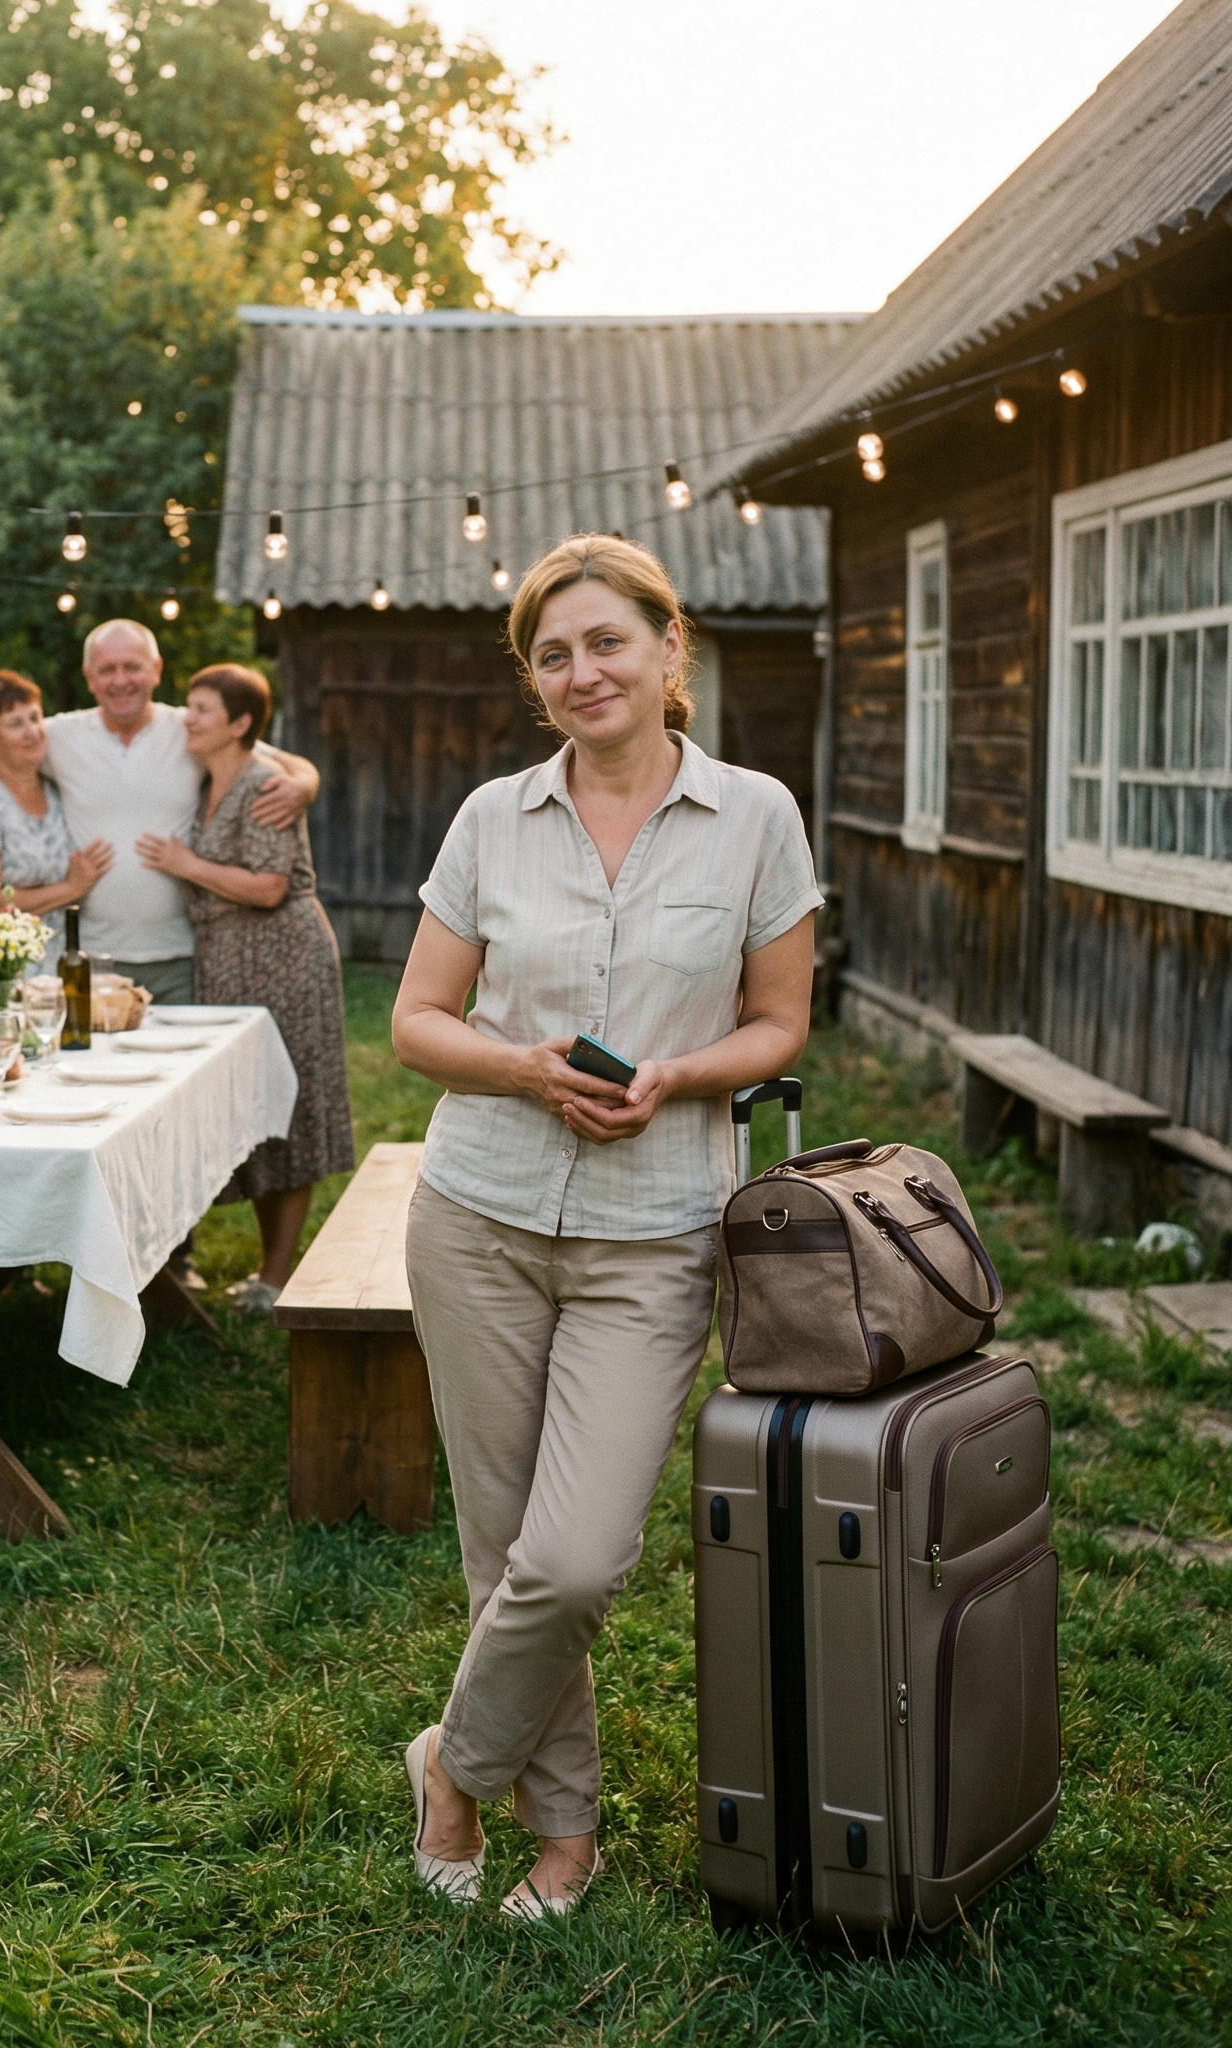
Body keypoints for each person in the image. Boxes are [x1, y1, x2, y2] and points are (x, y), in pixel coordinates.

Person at [389, 535, 820, 1919]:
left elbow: (781, 1023)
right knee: (503, 1546)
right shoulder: (491, 820)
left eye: (607, 642)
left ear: (668, 649)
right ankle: (561, 1831)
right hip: (481, 1217)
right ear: (535, 679)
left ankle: (453, 1764)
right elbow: (416, 1021)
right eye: (554, 654)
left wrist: (678, 1076)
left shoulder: (757, 816)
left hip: (656, 1232)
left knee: (575, 1560)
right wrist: (522, 1065)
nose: (583, 672)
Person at [0, 619, 321, 1006]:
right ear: (90, 678)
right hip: (93, 955)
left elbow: (277, 760)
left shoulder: (190, 730)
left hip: (180, 955)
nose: (120, 680)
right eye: (107, 669)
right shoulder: (60, 735)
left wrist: (305, 783)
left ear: (156, 670)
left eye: (132, 666)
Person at [136, 665, 354, 1310]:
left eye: (202, 709)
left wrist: (184, 864)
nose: (187, 718)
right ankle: (266, 1269)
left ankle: (277, 1275)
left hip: (282, 955)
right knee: (254, 1108)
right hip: (229, 958)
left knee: (289, 1107)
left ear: (238, 725)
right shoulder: (211, 777)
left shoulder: (264, 784)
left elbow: (270, 886)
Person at [0, 670, 113, 971]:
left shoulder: (55, 789)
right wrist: (72, 889)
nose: (32, 731)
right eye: (15, 724)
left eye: (34, 717)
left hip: (50, 964)